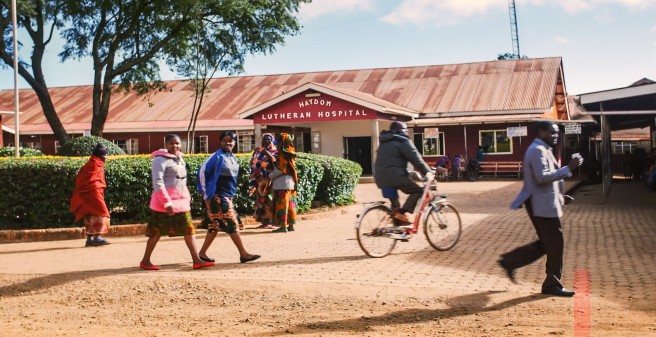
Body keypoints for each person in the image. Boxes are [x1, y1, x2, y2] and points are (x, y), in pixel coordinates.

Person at [498, 121, 583, 297]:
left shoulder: (543, 149)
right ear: (541, 132)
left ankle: (510, 261)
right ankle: (551, 285)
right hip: (541, 205)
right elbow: (542, 177)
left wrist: (560, 197)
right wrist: (570, 168)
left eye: (557, 133)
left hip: (545, 203)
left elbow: (545, 182)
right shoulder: (537, 151)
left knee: (548, 244)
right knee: (555, 244)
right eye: (552, 133)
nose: (555, 136)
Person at [139, 134, 214, 271]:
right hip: (163, 204)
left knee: (189, 229)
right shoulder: (159, 160)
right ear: (166, 145)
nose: (175, 146)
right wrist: (167, 202)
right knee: (155, 232)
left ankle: (196, 260)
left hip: (181, 204)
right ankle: (145, 261)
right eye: (171, 144)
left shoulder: (180, 159)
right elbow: (158, 182)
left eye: (177, 143)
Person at [196, 131, 261, 263]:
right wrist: (204, 192)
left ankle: (202, 254)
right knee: (232, 223)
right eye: (225, 141)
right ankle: (243, 254)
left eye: (231, 141)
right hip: (218, 197)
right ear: (220, 142)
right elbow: (202, 172)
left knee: (214, 225)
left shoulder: (232, 158)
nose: (228, 143)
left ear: (235, 142)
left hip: (227, 196)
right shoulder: (217, 157)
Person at [373, 121, 433, 225]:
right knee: (418, 191)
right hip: (395, 176)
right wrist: (427, 172)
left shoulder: (383, 142)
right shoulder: (402, 141)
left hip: (380, 177)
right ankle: (402, 213)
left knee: (395, 207)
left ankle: (398, 227)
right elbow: (416, 158)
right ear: (403, 131)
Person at [70, 143, 111, 247]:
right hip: (94, 193)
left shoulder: (90, 164)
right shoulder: (96, 165)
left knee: (89, 215)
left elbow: (81, 180)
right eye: (105, 156)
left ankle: (90, 239)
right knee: (102, 213)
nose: (105, 158)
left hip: (86, 195)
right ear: (100, 156)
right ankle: (97, 237)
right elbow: (95, 181)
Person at [269, 133, 298, 233]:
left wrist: (270, 176)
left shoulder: (283, 155)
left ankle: (283, 226)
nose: (277, 144)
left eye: (278, 142)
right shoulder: (291, 153)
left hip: (282, 184)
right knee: (290, 204)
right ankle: (291, 225)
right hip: (291, 183)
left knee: (282, 205)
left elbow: (281, 170)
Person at [248, 133, 277, 229]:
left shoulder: (275, 151)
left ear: (272, 140)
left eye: (268, 139)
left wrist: (265, 153)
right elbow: (253, 162)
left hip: (271, 181)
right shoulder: (257, 151)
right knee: (260, 202)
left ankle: (271, 222)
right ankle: (264, 222)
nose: (266, 141)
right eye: (264, 139)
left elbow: (274, 163)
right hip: (260, 181)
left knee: (270, 201)